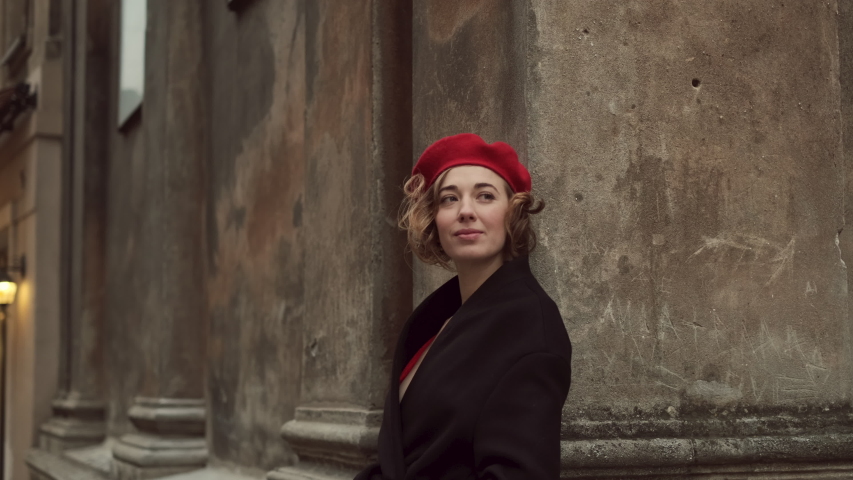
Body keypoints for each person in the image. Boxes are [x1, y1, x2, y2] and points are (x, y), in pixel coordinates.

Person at [355, 133, 572, 480]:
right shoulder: (438, 319)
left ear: (512, 213)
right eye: (448, 199)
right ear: (434, 218)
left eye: (485, 196)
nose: (465, 211)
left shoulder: (530, 324)